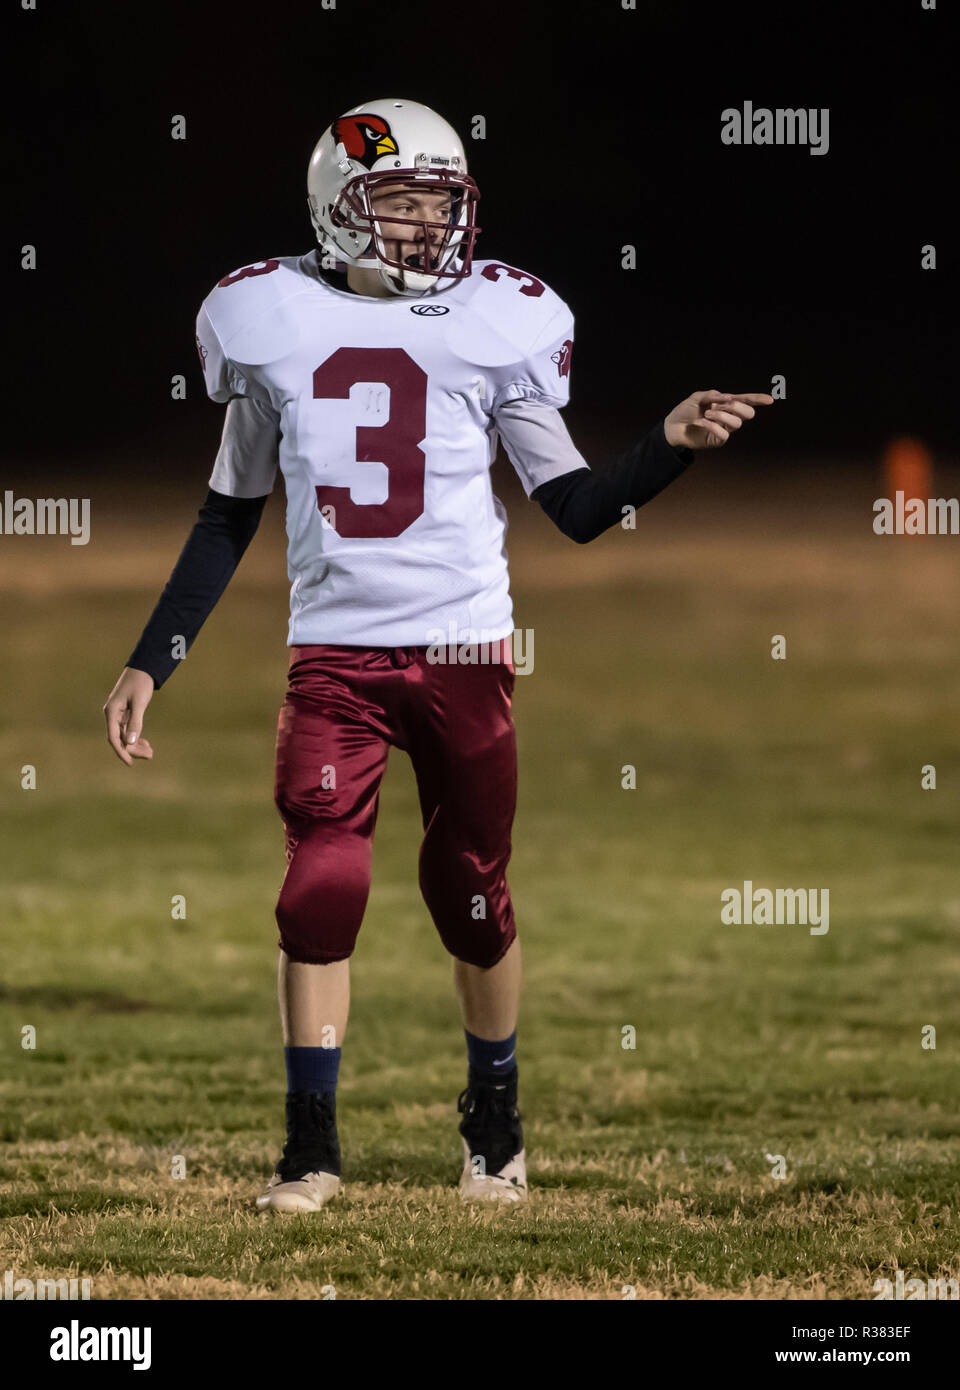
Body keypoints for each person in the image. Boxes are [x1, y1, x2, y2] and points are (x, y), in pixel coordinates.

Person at [103, 97, 773, 1212]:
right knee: (319, 887)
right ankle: (310, 1150)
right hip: (333, 658)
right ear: (339, 212)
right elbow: (228, 516)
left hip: (467, 651)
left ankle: (495, 1126)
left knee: (471, 892)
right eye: (402, 206)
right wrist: (150, 658)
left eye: (440, 205)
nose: (430, 230)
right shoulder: (267, 320)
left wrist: (666, 446)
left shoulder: (496, 318)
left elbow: (575, 505)